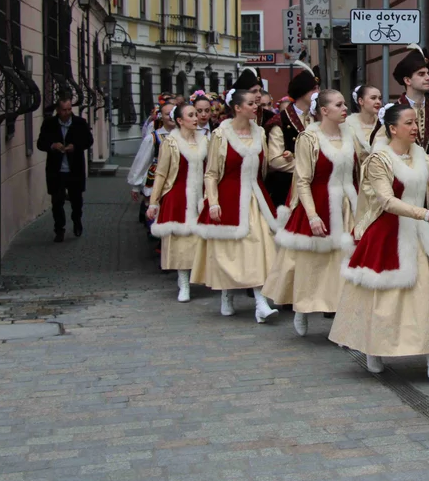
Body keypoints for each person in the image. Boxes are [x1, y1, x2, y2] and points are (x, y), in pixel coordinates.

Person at [329, 104, 429, 384]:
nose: (415, 128)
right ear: (392, 128)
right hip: (388, 234)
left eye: (416, 123)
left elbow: (425, 190)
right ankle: (374, 349)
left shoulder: (420, 156)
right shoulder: (379, 160)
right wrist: (423, 214)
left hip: (421, 235)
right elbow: (386, 201)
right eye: (409, 123)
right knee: (383, 300)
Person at [264, 90, 361, 336]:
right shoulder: (309, 138)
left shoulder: (350, 134)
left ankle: (343, 320)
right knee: (313, 265)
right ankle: (303, 308)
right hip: (319, 203)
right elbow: (302, 180)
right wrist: (312, 215)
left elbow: (364, 166)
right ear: (324, 110)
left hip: (348, 206)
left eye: (344, 104)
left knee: (345, 263)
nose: (344, 108)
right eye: (339, 104)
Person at [192, 89, 285, 322]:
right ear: (237, 107)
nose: (256, 107)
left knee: (259, 249)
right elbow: (211, 172)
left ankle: (261, 303)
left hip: (256, 198)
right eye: (251, 104)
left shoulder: (260, 132)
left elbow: (263, 169)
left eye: (257, 103)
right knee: (233, 251)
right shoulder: (221, 135)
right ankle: (227, 294)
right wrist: (212, 201)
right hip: (230, 197)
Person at [146, 103, 208, 303]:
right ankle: (183, 282)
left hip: (200, 195)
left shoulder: (205, 140)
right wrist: (154, 202)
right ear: (180, 121)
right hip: (178, 195)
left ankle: (199, 276)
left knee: (199, 240)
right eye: (191, 115)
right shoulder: (170, 142)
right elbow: (162, 173)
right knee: (181, 243)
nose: (196, 117)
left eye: (196, 113)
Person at [37, 96, 94, 242]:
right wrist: (53, 145)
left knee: (76, 200)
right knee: (57, 201)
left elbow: (88, 140)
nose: (67, 113)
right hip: (56, 170)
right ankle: (59, 229)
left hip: (75, 169)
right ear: (58, 110)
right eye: (64, 110)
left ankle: (77, 221)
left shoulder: (80, 123)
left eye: (69, 109)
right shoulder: (49, 123)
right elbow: (40, 143)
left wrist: (75, 146)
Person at [264, 62, 318, 210]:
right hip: (288, 187)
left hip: (315, 187)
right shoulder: (281, 121)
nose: (318, 92)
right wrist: (311, 167)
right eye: (314, 89)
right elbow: (275, 160)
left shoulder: (318, 117)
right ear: (303, 92)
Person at [372, 44, 429, 151]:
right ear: (407, 80)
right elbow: (378, 149)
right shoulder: (392, 113)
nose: (428, 78)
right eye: (421, 74)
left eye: (428, 73)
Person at [129, 102, 175, 229]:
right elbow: (142, 161)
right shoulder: (153, 137)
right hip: (156, 178)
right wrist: (136, 186)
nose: (171, 117)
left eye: (173, 113)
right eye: (167, 114)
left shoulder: (185, 135)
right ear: (161, 116)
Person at [345, 84, 382, 155]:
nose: (378, 102)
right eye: (373, 98)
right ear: (361, 101)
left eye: (380, 98)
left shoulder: (383, 125)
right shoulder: (347, 125)